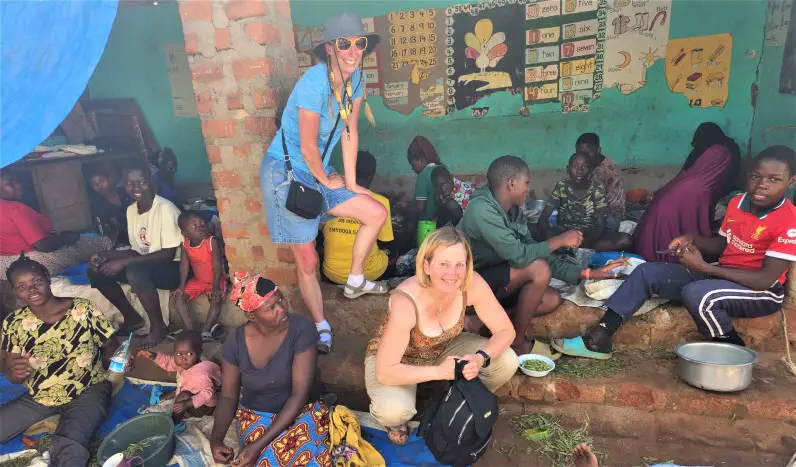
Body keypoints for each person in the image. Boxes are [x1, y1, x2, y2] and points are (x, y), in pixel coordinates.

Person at [554, 146, 796, 359]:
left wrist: (705, 268)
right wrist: (692, 239)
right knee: (646, 271)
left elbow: (765, 279)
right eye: (756, 176)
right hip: (721, 276)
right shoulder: (737, 203)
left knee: (698, 293)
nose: (762, 184)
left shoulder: (788, 220)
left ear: (791, 182)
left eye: (774, 179)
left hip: (760, 292)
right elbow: (723, 245)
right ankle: (600, 336)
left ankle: (733, 349)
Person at [260, 12, 388, 354]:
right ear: (330, 48)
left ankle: (355, 280)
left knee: (374, 212)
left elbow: (350, 131)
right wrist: (324, 181)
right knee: (307, 260)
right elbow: (305, 144)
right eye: (344, 44)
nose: (352, 51)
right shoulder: (314, 82)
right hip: (287, 174)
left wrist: (349, 181)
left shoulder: (356, 79)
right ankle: (321, 325)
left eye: (358, 44)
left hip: (321, 170)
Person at [365, 227, 518, 445]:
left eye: (459, 264)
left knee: (506, 360)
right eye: (444, 264)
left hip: (443, 347)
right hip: (400, 360)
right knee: (393, 411)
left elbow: (506, 331)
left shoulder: (471, 284)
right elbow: (385, 371)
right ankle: (398, 422)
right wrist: (438, 372)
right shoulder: (406, 301)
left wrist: (480, 357)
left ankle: (466, 400)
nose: (452, 273)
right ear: (426, 266)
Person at [458, 156, 619, 355]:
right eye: (526, 182)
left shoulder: (513, 211)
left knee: (550, 298)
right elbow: (520, 256)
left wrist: (586, 273)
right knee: (540, 270)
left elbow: (534, 250)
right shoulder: (481, 209)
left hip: (495, 280)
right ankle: (516, 340)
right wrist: (559, 240)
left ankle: (479, 322)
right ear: (511, 184)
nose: (528, 188)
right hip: (468, 285)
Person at [0, 254, 117, 467]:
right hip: (40, 396)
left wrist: (118, 360)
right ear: (15, 291)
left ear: (47, 277)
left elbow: (110, 346)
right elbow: (11, 370)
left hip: (88, 389)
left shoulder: (83, 309)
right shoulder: (14, 323)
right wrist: (13, 374)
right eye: (22, 286)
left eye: (36, 281)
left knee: (71, 442)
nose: (32, 289)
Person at [210, 273, 330, 467]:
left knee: (306, 460)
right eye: (271, 307)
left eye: (280, 298)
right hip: (256, 415)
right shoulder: (235, 342)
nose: (281, 309)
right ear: (251, 315)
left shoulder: (301, 330)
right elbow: (228, 397)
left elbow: (299, 394)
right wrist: (216, 440)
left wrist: (257, 446)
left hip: (301, 411)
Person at [88, 162, 183, 348]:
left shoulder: (165, 209)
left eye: (142, 182)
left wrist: (124, 262)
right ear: (123, 184)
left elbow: (169, 254)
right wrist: (108, 255)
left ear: (151, 182)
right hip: (147, 265)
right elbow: (137, 249)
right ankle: (132, 318)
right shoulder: (131, 210)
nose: (136, 188)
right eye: (130, 183)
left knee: (134, 271)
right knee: (96, 271)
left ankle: (158, 326)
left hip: (173, 269)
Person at [634, 122, 740, 262]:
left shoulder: (692, 181)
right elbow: (698, 228)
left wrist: (658, 193)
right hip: (667, 253)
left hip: (646, 246)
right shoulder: (701, 189)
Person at [0, 171, 113, 281]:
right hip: (34, 260)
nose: (18, 185)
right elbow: (43, 246)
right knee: (98, 243)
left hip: (6, 265)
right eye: (10, 183)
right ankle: (116, 247)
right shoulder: (15, 208)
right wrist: (64, 239)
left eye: (17, 181)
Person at [322, 151, 394, 284]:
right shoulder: (380, 202)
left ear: (348, 171)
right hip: (368, 274)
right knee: (394, 248)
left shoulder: (329, 198)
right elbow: (385, 242)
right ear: (371, 177)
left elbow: (320, 232)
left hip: (332, 273)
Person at [539, 152, 632, 252]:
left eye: (585, 166)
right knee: (529, 229)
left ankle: (575, 250)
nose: (579, 170)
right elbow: (544, 217)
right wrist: (552, 239)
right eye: (575, 166)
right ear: (567, 169)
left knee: (625, 239)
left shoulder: (596, 189)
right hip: (564, 234)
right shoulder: (562, 186)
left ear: (591, 170)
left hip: (589, 235)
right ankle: (569, 249)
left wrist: (587, 242)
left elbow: (601, 224)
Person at [137, 330, 221, 422]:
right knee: (178, 392)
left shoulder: (201, 375)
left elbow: (208, 393)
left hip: (204, 407)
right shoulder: (188, 362)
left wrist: (186, 404)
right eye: (178, 354)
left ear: (199, 353)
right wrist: (152, 356)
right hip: (193, 391)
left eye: (189, 354)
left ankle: (175, 423)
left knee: (182, 396)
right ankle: (161, 398)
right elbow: (168, 362)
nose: (183, 358)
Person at [172, 211, 226, 341]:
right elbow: (184, 265)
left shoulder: (211, 241)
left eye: (202, 223)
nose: (200, 227)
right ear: (185, 233)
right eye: (194, 226)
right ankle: (190, 329)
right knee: (178, 297)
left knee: (216, 299)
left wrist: (215, 286)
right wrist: (181, 286)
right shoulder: (185, 244)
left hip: (216, 280)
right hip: (199, 280)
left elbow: (217, 265)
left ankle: (206, 330)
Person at [575, 133, 626, 227]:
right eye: (580, 154)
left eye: (587, 153)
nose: (583, 158)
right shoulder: (605, 160)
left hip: (612, 218)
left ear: (598, 150)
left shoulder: (601, 173)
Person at [87, 167, 132, 245]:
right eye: (94, 184)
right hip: (123, 240)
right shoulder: (98, 204)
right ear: (91, 187)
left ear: (109, 179)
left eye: (102, 181)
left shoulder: (123, 192)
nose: (100, 186)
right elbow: (116, 226)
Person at [405, 135, 442, 221]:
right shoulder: (440, 169)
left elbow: (419, 208)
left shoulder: (423, 176)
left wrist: (403, 207)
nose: (413, 169)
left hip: (425, 225)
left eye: (413, 165)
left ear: (421, 159)